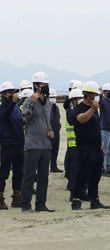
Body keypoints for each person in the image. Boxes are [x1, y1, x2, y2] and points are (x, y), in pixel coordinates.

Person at [70, 81, 110, 210]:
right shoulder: (80, 107)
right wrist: (92, 109)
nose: (96, 96)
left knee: (95, 175)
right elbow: (81, 119)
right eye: (94, 94)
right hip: (84, 147)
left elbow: (96, 127)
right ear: (87, 95)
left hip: (96, 147)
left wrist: (99, 145)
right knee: (82, 175)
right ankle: (76, 200)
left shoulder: (95, 109)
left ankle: (94, 199)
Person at [20, 72, 55, 212]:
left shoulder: (48, 103)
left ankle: (41, 204)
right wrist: (32, 103)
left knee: (43, 177)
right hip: (32, 144)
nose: (46, 87)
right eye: (44, 85)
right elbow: (24, 119)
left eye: (47, 85)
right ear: (36, 86)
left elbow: (48, 120)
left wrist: (50, 130)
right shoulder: (28, 101)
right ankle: (26, 205)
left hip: (46, 145)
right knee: (29, 175)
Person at [0, 81, 24, 209]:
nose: (13, 94)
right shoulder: (3, 107)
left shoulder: (16, 108)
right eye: (10, 92)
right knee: (4, 172)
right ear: (4, 94)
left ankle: (17, 198)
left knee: (18, 171)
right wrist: (13, 102)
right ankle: (0, 198)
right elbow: (4, 115)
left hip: (19, 143)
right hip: (7, 143)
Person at [64, 88, 87, 201]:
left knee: (83, 170)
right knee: (74, 170)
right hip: (74, 145)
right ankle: (73, 193)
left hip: (82, 145)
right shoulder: (71, 112)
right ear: (73, 100)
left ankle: (82, 191)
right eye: (78, 99)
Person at [100, 83, 110, 177]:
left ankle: (108, 167)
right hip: (104, 129)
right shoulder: (102, 102)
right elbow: (98, 100)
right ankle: (102, 167)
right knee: (103, 150)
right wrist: (100, 92)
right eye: (107, 91)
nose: (109, 93)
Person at [49, 88, 63, 173]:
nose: (53, 99)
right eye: (51, 97)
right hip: (49, 132)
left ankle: (54, 166)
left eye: (54, 97)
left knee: (55, 149)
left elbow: (57, 118)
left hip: (56, 131)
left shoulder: (56, 107)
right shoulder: (46, 107)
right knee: (48, 151)